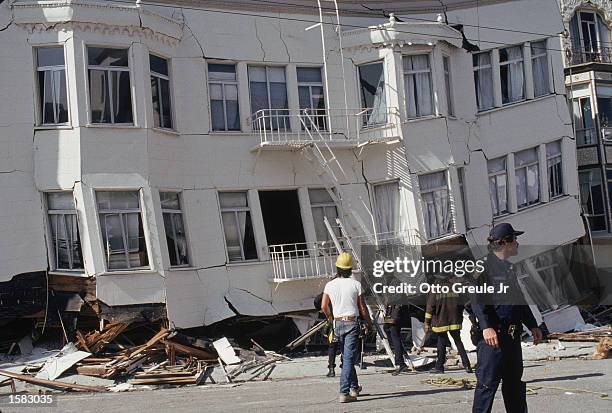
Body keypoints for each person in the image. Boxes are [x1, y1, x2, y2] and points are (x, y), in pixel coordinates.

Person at [471, 223, 543, 413]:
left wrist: (533, 325)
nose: (517, 243)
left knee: (514, 385)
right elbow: (477, 300)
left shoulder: (510, 268)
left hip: (511, 338)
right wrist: (486, 326)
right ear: (505, 243)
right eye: (515, 239)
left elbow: (519, 301)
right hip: (493, 339)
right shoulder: (482, 268)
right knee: (487, 386)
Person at [321, 252, 373, 403]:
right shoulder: (356, 284)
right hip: (351, 323)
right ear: (350, 269)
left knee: (346, 356)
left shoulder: (329, 285)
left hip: (337, 323)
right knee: (349, 358)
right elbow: (362, 307)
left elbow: (324, 306)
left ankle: (354, 387)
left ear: (337, 267)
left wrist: (330, 318)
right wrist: (368, 323)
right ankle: (344, 392)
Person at [424, 277, 473, 374]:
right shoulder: (454, 287)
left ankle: (439, 367)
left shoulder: (435, 288)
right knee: (458, 342)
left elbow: (430, 307)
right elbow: (463, 303)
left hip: (441, 321)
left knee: (441, 342)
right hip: (454, 320)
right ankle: (467, 366)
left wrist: (427, 322)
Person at [313, 291, 340, 377]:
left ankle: (331, 369)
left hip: (333, 324)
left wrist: (329, 319)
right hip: (342, 321)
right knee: (344, 345)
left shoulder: (325, 294)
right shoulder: (336, 295)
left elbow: (320, 304)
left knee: (332, 347)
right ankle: (345, 365)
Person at [383, 304, 411, 375]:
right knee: (386, 329)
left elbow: (398, 306)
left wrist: (394, 319)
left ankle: (399, 363)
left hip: (395, 316)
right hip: (392, 314)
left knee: (395, 339)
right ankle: (400, 358)